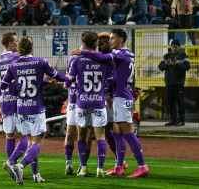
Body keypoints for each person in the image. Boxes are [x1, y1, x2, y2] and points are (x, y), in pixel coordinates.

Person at [71, 29, 149, 178]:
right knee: (117, 133)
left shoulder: (119, 54)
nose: (109, 41)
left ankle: (142, 166)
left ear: (121, 40)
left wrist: (83, 53)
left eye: (112, 38)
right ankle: (119, 166)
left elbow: (105, 58)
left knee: (129, 133)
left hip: (121, 98)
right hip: (122, 96)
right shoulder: (128, 54)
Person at [2, 36, 70, 185]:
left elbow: (3, 85)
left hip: (21, 108)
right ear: (32, 48)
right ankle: (19, 165)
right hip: (36, 107)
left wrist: (15, 83)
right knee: (38, 142)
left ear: (19, 48)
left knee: (31, 141)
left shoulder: (13, 64)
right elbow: (56, 75)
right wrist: (68, 79)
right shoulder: (40, 62)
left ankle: (35, 174)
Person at [64, 31, 111, 178]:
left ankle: (83, 167)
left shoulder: (77, 60)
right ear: (96, 44)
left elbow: (68, 81)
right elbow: (110, 81)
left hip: (82, 102)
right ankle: (99, 169)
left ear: (83, 44)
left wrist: (56, 81)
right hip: (98, 101)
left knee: (81, 135)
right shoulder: (104, 60)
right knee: (100, 136)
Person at [0, 32, 27, 182]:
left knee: (10, 135)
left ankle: (11, 168)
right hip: (18, 101)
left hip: (4, 102)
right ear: (11, 44)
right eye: (16, 41)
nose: (18, 44)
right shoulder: (17, 59)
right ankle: (12, 162)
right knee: (28, 135)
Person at [97, 32, 128, 174]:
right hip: (103, 98)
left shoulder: (112, 58)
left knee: (113, 131)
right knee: (107, 130)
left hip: (110, 99)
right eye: (101, 42)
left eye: (104, 42)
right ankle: (119, 162)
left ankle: (119, 163)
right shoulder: (103, 58)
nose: (101, 45)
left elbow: (112, 80)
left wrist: (108, 94)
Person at [158, 39, 191, 126]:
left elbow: (187, 67)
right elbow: (160, 67)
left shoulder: (183, 55)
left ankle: (181, 120)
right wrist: (166, 64)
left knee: (180, 102)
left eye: (176, 47)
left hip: (179, 83)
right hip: (169, 83)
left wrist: (177, 64)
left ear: (179, 47)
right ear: (171, 47)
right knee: (171, 102)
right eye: (173, 46)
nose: (174, 48)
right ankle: (173, 120)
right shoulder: (167, 56)